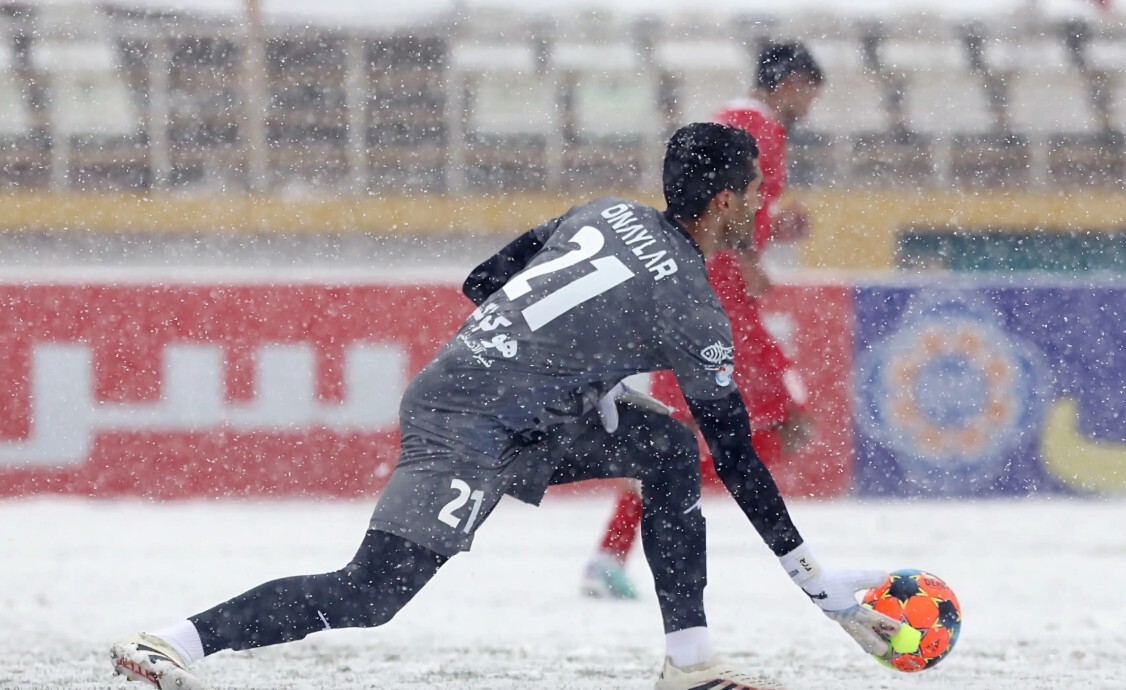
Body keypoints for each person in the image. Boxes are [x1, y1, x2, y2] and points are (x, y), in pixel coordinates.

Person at [109, 122, 898, 690]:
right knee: (370, 594)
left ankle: (689, 664)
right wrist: (817, 587)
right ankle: (173, 643)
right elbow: (739, 458)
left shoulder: (601, 211)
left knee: (664, 449)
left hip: (500, 401)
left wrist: (573, 376)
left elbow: (485, 281)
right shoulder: (692, 308)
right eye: (756, 194)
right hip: (469, 424)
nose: (761, 209)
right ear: (725, 201)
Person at [582, 41, 824, 601]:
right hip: (720, 296)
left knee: (697, 435)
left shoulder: (729, 123)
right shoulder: (757, 130)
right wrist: (749, 258)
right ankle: (776, 555)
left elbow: (719, 207)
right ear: (791, 84)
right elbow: (728, 206)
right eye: (810, 92)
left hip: (701, 288)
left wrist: (771, 234)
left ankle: (619, 550)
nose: (810, 106)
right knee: (780, 419)